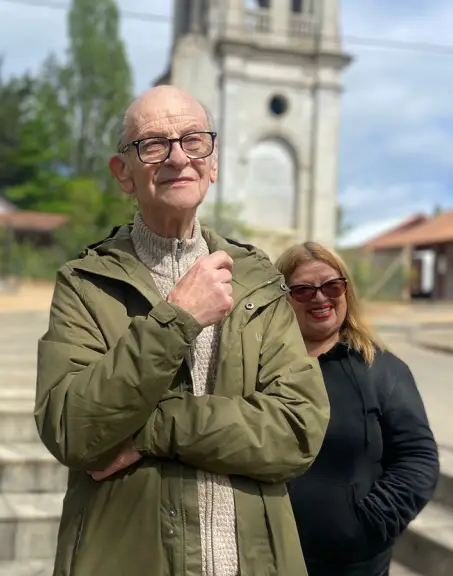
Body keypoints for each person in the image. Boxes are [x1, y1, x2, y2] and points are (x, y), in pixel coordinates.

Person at [35, 85, 330, 576]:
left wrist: (154, 428)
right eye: (152, 144)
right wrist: (178, 317)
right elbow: (72, 429)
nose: (177, 157)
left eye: (193, 140)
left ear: (212, 163)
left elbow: (298, 430)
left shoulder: (257, 280)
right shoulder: (85, 283)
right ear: (122, 173)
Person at [275, 242, 439, 576]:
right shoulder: (261, 367)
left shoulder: (382, 371)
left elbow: (418, 458)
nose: (320, 298)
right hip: (266, 560)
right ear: (283, 298)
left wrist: (367, 524)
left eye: (332, 286)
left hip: (352, 566)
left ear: (346, 291)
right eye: (303, 290)